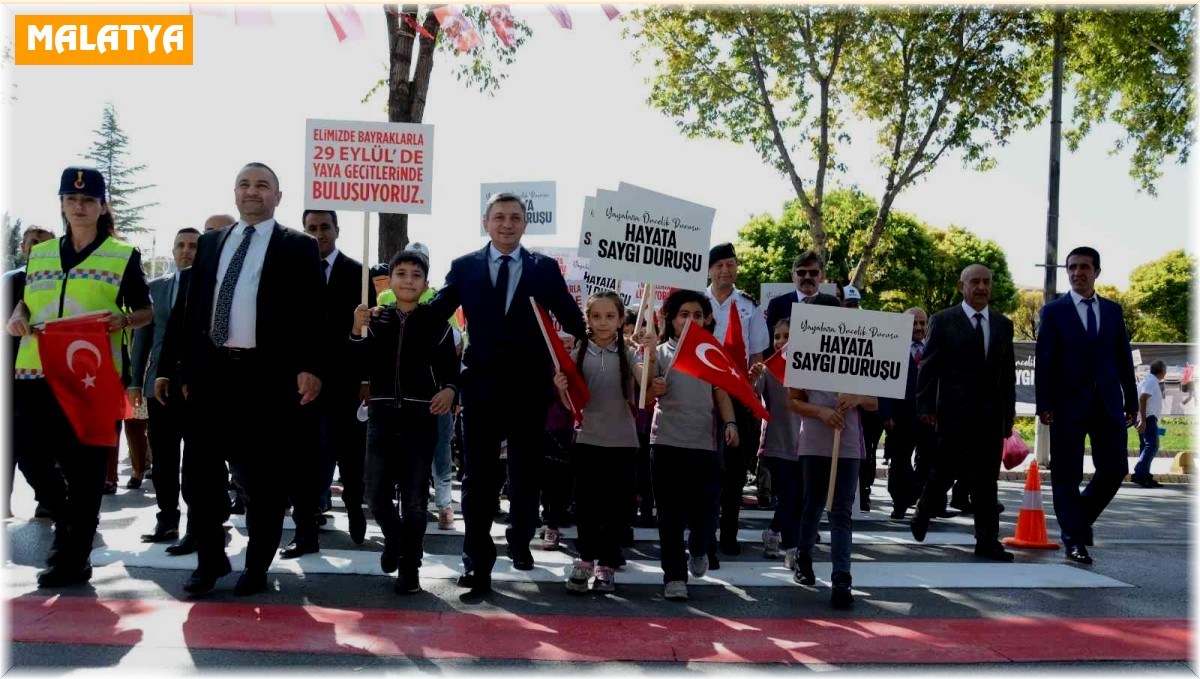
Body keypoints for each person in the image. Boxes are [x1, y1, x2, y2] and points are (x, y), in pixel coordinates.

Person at [424, 192, 586, 595]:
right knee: (478, 479)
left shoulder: (544, 269)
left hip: (531, 389)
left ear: (525, 224)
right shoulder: (465, 267)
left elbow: (573, 318)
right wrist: (396, 315)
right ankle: (476, 562)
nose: (507, 224)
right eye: (500, 217)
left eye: (515, 217)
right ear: (486, 221)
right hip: (480, 389)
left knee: (526, 474)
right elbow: (437, 312)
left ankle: (520, 536)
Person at [177, 162, 326, 596]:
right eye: (244, 184)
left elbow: (314, 313)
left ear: (277, 197)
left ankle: (257, 566)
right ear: (235, 192)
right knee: (199, 476)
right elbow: (193, 310)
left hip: (267, 378)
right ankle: (209, 560)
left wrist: (311, 366)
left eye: (262, 186)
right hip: (211, 375)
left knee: (263, 482)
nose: (252, 192)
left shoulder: (298, 247)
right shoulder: (209, 244)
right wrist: (187, 370)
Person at [7, 166, 152, 588]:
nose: (79, 206)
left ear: (102, 205)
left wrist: (122, 320)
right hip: (36, 370)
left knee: (86, 470)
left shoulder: (122, 255)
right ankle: (65, 516)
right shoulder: (41, 253)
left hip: (92, 377)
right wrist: (17, 314)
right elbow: (27, 304)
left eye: (88, 200)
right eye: (71, 200)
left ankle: (72, 557)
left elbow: (146, 311)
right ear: (62, 205)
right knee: (27, 452)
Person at [352, 249, 458, 594]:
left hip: (420, 418)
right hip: (381, 416)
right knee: (375, 492)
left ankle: (410, 565)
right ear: (390, 280)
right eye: (401, 273)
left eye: (416, 275)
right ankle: (394, 540)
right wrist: (357, 329)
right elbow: (356, 360)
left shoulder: (436, 323)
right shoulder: (375, 318)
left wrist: (450, 390)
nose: (408, 280)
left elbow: (450, 369)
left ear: (426, 284)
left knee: (414, 498)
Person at [1036, 246, 1138, 565]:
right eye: (1072, 268)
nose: (1077, 272)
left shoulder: (1112, 311)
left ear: (1097, 271)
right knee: (1067, 474)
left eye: (1084, 267)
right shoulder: (1053, 312)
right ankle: (1075, 539)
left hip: (1107, 404)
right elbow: (1044, 362)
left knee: (1115, 469)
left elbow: (1123, 358)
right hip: (1067, 405)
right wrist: (1045, 403)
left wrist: (1132, 401)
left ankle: (1078, 519)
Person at [910, 264, 1016, 563]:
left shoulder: (1003, 325)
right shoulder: (943, 321)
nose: (981, 287)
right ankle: (924, 509)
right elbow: (929, 368)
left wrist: (1008, 418)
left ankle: (987, 541)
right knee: (943, 472)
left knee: (986, 481)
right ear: (962, 286)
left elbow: (1006, 376)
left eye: (986, 282)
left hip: (991, 418)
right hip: (953, 414)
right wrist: (926, 406)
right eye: (975, 282)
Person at [647, 289, 738, 602]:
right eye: (683, 314)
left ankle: (699, 547)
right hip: (666, 443)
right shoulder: (657, 354)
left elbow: (721, 394)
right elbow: (644, 396)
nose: (690, 320)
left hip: (705, 446)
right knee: (669, 515)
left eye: (697, 314)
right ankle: (674, 576)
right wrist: (653, 386)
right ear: (670, 320)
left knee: (707, 511)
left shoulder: (713, 354)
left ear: (708, 319)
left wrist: (730, 423)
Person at [788, 293, 877, 608]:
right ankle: (804, 557)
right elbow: (793, 400)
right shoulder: (802, 352)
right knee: (813, 503)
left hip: (849, 444)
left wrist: (855, 398)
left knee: (840, 511)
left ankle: (842, 579)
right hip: (814, 442)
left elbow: (874, 401)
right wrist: (821, 413)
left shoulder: (856, 354)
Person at [560, 291, 650, 594]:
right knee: (586, 505)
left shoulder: (630, 352)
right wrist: (560, 385)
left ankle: (607, 564)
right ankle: (585, 559)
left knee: (617, 507)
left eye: (610, 316)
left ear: (621, 320)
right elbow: (568, 399)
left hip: (623, 443)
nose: (603, 322)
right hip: (587, 440)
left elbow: (643, 376)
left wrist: (647, 359)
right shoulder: (579, 352)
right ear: (587, 319)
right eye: (596, 316)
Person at [302, 209, 376, 549]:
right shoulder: (295, 270)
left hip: (345, 381)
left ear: (337, 229)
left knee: (349, 454)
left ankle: (354, 510)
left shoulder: (358, 274)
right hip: (304, 380)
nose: (319, 233)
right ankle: (306, 528)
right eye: (312, 228)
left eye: (325, 227)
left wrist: (365, 379)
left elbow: (368, 337)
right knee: (305, 456)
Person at [131, 227, 200, 544]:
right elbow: (142, 339)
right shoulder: (155, 289)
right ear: (173, 250)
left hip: (196, 385)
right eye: (181, 245)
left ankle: (199, 522)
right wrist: (134, 381)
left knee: (197, 460)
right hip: (158, 386)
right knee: (164, 458)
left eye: (193, 246)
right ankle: (166, 519)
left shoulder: (207, 288)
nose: (186, 251)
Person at [704, 243, 770, 557]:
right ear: (708, 270)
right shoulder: (696, 303)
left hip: (738, 390)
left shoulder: (748, 306)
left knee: (733, 469)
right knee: (705, 466)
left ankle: (728, 533)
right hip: (701, 392)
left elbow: (757, 352)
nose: (725, 270)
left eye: (730, 264)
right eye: (719, 265)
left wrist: (753, 392)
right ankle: (703, 534)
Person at [3, 225, 57, 519]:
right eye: (32, 243)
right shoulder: (10, 281)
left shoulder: (59, 281)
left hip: (45, 375)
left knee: (41, 443)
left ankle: (49, 498)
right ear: (23, 247)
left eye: (44, 244)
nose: (37, 248)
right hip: (10, 374)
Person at [751, 319, 803, 563]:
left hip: (805, 445)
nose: (781, 342)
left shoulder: (810, 368)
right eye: (777, 337)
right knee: (788, 494)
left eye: (787, 336)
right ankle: (793, 550)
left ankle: (772, 532)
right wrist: (751, 379)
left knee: (796, 497)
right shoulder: (767, 369)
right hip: (775, 444)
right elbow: (751, 396)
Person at [879, 307, 935, 520]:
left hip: (929, 417)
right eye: (913, 323)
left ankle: (924, 500)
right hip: (900, 417)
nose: (918, 327)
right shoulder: (892, 349)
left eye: (922, 323)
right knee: (900, 462)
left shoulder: (933, 349)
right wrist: (886, 413)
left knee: (928, 461)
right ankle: (900, 503)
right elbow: (883, 382)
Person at [765, 251, 826, 336]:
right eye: (801, 272)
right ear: (793, 276)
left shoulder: (833, 304)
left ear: (822, 276)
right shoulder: (777, 305)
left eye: (813, 272)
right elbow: (769, 341)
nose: (807, 277)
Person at [1133, 360, 1167, 488]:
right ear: (1162, 371)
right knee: (1152, 446)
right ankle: (1139, 473)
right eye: (1165, 370)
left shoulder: (1149, 380)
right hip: (1147, 417)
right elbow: (1143, 398)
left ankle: (1145, 475)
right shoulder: (1151, 381)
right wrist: (1143, 419)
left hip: (1146, 417)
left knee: (1145, 446)